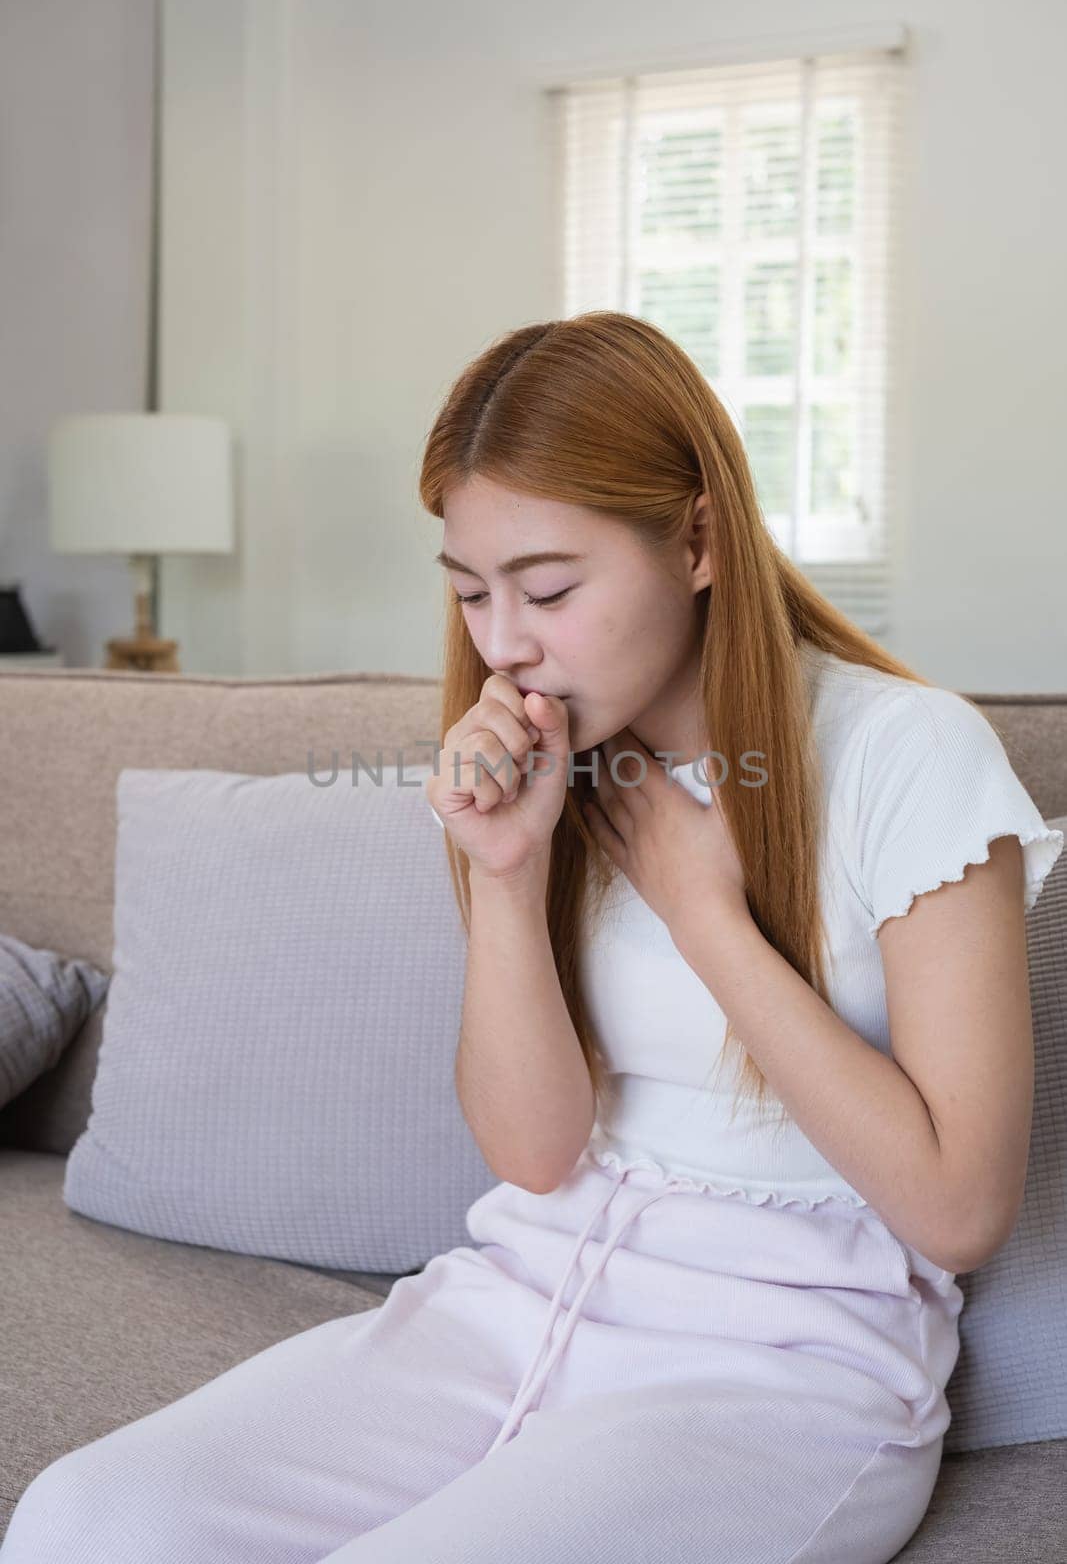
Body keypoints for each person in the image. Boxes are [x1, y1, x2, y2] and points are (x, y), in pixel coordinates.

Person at [3, 312, 1062, 1563]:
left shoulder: (906, 753)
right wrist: (504, 877)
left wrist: (703, 912)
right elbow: (535, 1154)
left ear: (698, 538)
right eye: (468, 590)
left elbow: (956, 1205)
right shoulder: (556, 762)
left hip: (781, 1367)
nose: (503, 641)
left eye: (549, 588)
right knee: (85, 1518)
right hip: (509, 1301)